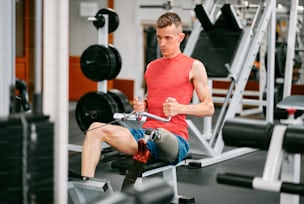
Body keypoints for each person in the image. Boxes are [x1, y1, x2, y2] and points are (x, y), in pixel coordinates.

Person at [81, 12, 214, 179]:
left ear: (180, 37)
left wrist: (180, 108)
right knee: (94, 129)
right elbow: (151, 96)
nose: (162, 43)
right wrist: (142, 106)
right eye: (159, 38)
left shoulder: (194, 66)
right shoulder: (152, 66)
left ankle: (153, 141)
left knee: (159, 133)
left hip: (174, 140)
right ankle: (86, 185)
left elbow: (209, 107)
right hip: (144, 137)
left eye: (168, 38)